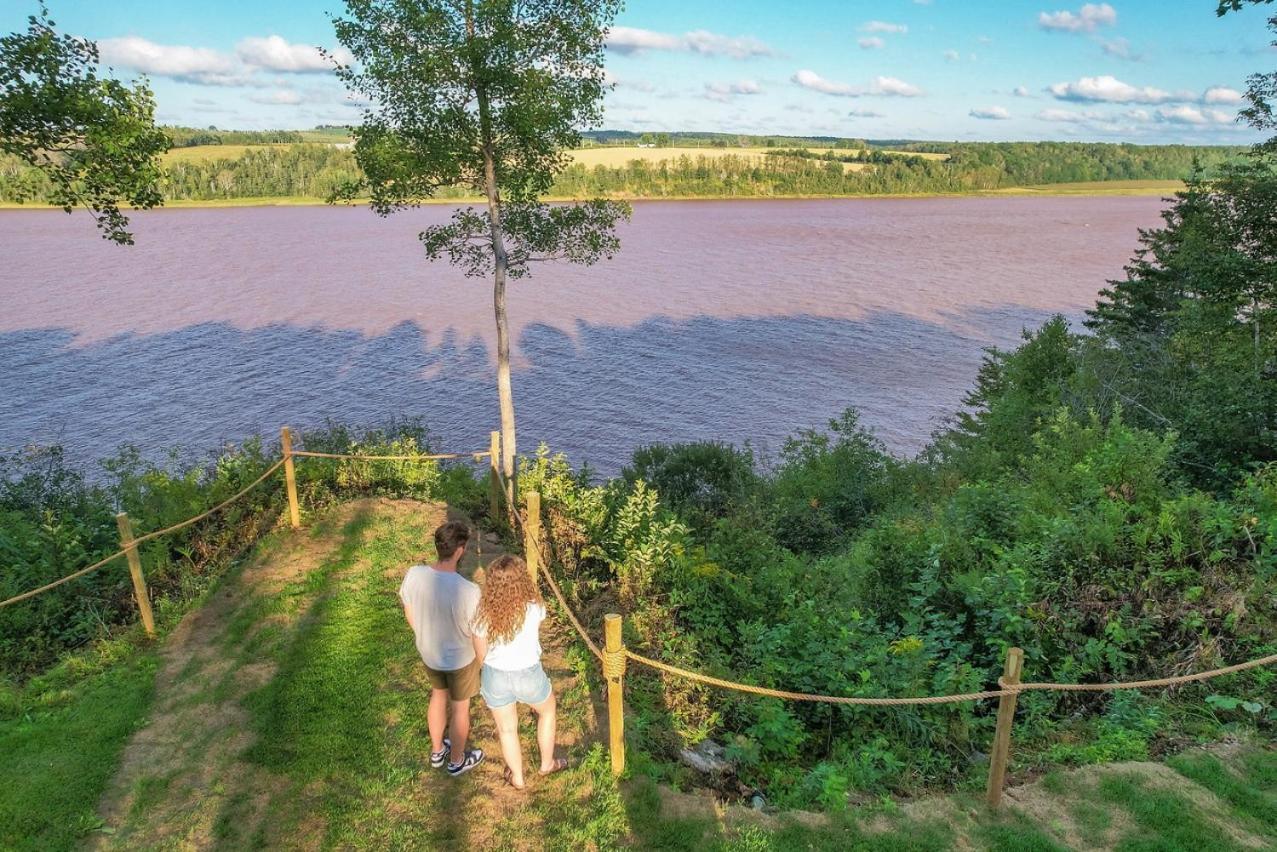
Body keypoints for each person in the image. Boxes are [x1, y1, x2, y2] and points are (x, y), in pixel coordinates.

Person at [471, 554, 568, 789]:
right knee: (547, 712)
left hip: (495, 675)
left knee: (506, 729)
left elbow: (479, 647)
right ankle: (546, 764)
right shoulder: (534, 608)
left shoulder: (484, 612)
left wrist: (487, 669)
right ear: (523, 579)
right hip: (528, 674)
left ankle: (518, 777)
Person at [399, 520, 485, 776]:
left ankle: (438, 750)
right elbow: (477, 633)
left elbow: (409, 610)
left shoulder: (414, 574)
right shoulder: (469, 590)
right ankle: (457, 760)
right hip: (460, 659)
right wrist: (483, 664)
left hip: (430, 653)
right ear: (459, 550)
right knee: (460, 707)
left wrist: (422, 635)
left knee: (438, 695)